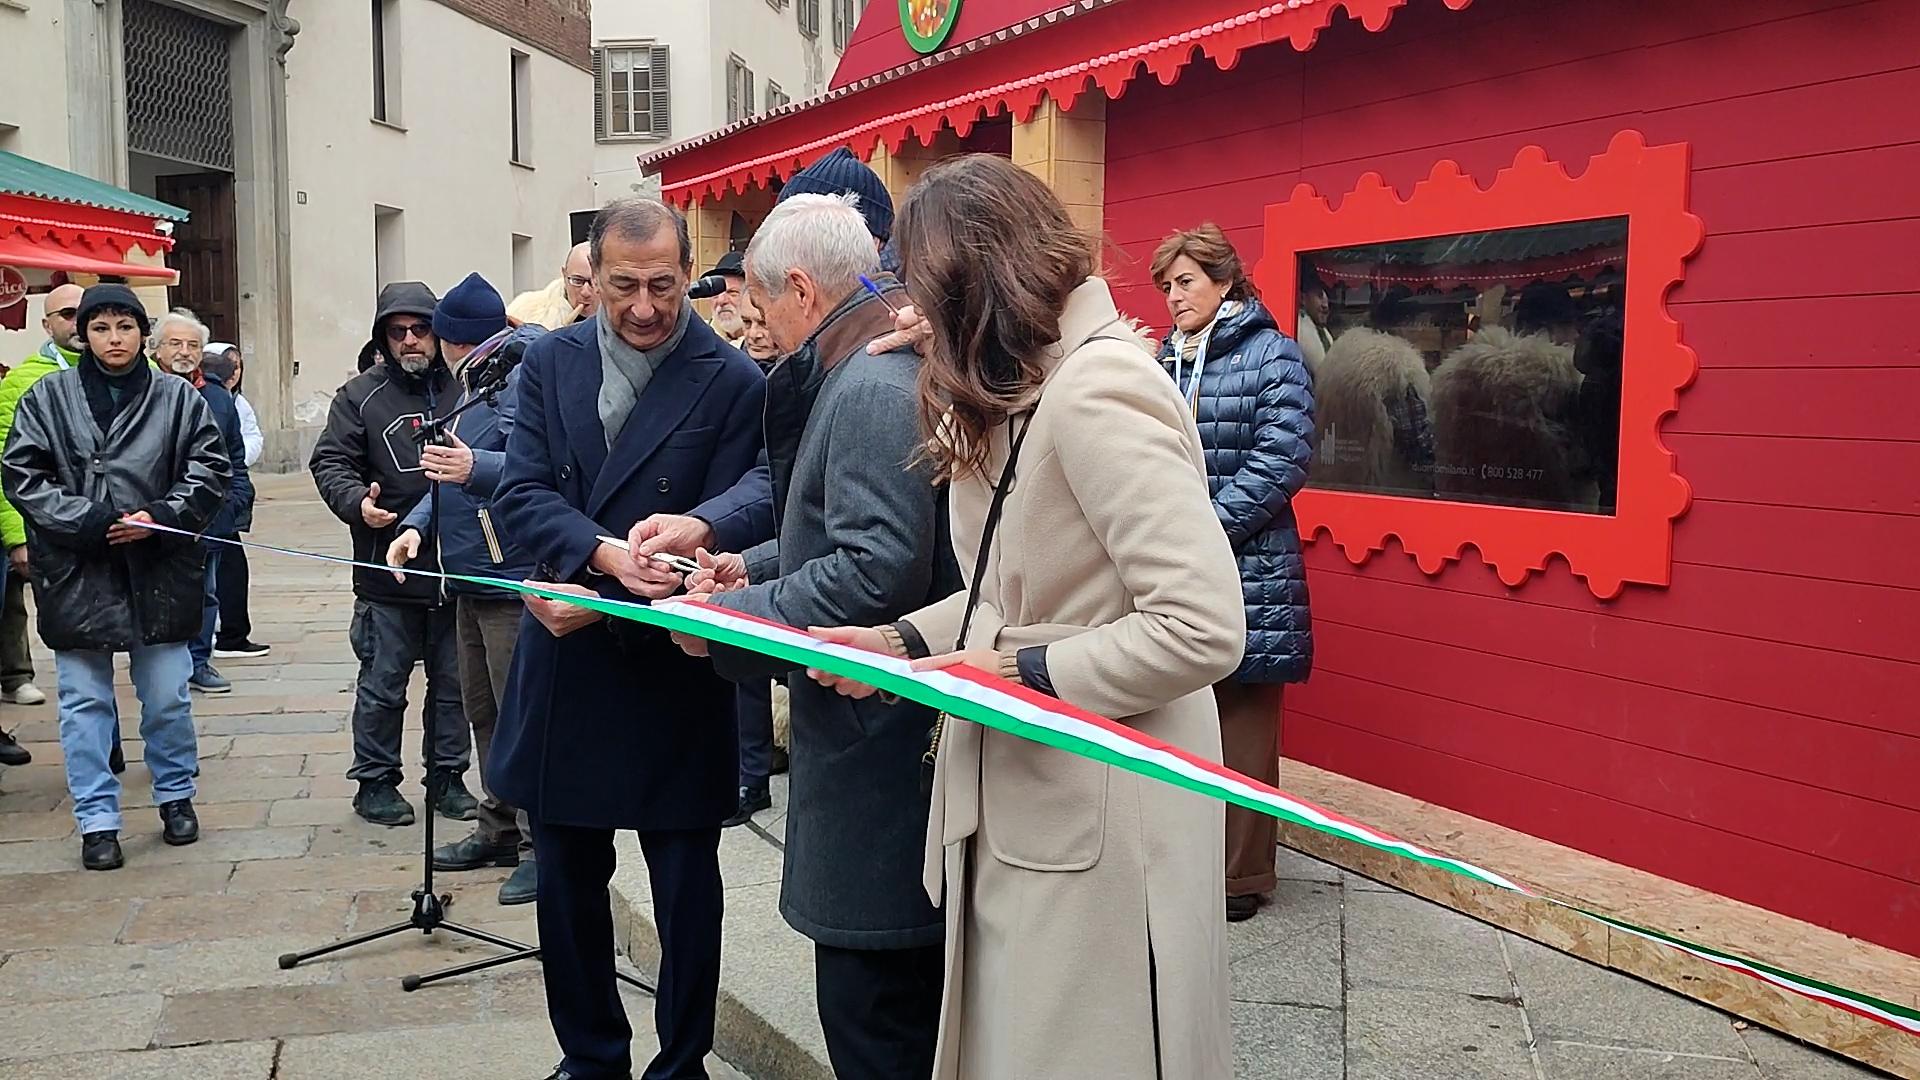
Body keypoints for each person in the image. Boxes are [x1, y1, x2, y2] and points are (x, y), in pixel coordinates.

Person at [809, 154, 1244, 1080]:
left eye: (923, 289)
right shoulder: (1026, 386)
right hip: (1036, 810)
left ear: (977, 283)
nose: (905, 312)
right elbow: (1007, 589)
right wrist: (897, 643)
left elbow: (1203, 625)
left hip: (1106, 825)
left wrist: (1028, 675)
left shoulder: (1097, 391)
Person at [671, 193, 956, 1079]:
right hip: (873, 761)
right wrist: (749, 569)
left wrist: (726, 623)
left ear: (799, 288)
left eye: (759, 311)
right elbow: (830, 535)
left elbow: (876, 570)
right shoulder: (859, 372)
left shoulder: (867, 386)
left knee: (878, 1024)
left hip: (879, 761)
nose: (760, 332)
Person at [488, 197, 772, 1080]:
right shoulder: (549, 363)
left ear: (689, 275)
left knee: (686, 880)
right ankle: (591, 1056)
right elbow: (521, 490)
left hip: (675, 664)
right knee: (567, 875)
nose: (644, 307)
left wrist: (697, 522)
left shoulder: (730, 377)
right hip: (567, 643)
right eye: (622, 287)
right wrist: (601, 554)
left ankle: (681, 1060)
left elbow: (766, 486)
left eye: (662, 285)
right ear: (590, 280)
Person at [1, 284, 230, 870]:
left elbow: (210, 467)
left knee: (166, 697)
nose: (114, 339)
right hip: (78, 571)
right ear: (84, 334)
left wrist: (160, 516)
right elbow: (23, 474)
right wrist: (87, 520)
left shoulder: (178, 397)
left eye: (124, 327)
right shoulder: (47, 397)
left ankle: (176, 794)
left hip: (158, 568)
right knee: (83, 703)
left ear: (141, 333)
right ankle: (97, 819)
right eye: (100, 328)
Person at [1152, 224, 1316, 923]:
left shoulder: (1275, 357)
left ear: (1225, 282)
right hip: (1178, 565)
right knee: (1179, 716)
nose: (1173, 298)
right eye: (1166, 285)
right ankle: (1184, 860)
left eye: (1186, 281)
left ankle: (1241, 876)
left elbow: (1283, 459)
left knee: (1243, 726)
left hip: (1253, 567)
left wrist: (1203, 529)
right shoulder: (1163, 360)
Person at [386, 273, 545, 907]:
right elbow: (445, 476)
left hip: (510, 576)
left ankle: (539, 844)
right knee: (482, 709)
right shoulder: (474, 383)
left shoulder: (514, 380)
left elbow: (534, 465)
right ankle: (499, 825)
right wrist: (415, 528)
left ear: (454, 340)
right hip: (469, 575)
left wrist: (475, 467)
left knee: (517, 715)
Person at [309, 281, 477, 827]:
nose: (410, 341)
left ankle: (448, 776)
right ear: (383, 336)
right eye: (397, 331)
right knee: (383, 684)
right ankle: (375, 780)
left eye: (420, 329)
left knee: (454, 686)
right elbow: (331, 461)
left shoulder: (467, 388)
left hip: (458, 570)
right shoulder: (359, 396)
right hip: (387, 570)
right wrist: (357, 503)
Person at [151, 310, 252, 696]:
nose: (184, 351)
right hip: (157, 514)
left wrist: (237, 500)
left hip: (208, 515)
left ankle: (198, 661)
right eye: (175, 343)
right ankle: (158, 660)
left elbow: (234, 455)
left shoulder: (217, 396)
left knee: (207, 592)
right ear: (156, 348)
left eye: (192, 345)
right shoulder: (144, 389)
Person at [0, 284, 83, 721]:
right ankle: (15, 675)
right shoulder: (24, 378)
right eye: (66, 314)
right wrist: (17, 535)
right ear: (47, 324)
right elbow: (8, 462)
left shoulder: (137, 369)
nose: (77, 322)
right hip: (47, 526)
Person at [201, 343, 270, 658]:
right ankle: (216, 637)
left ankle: (228, 634)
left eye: (238, 367)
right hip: (206, 499)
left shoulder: (234, 402)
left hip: (228, 497)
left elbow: (248, 439)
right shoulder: (205, 397)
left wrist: (239, 494)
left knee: (227, 568)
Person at [508, 242, 598, 330]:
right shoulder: (525, 311)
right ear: (564, 274)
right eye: (577, 281)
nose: (585, 292)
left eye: (594, 282)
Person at [702, 251, 749, 349]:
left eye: (732, 292)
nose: (721, 300)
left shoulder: (766, 344)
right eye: (715, 293)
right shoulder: (698, 336)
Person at [1296, 264, 1334, 377]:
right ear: (1302, 298)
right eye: (1319, 296)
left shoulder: (1322, 331)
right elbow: (1324, 374)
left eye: (1327, 298)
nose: (1325, 305)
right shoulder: (1301, 328)